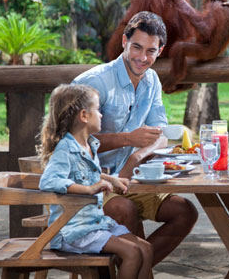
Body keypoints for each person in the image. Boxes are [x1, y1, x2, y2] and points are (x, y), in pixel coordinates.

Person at [72, 11, 198, 266]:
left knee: (184, 212)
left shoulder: (151, 80)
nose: (142, 57)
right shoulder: (94, 83)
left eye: (150, 51)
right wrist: (128, 139)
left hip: (130, 180)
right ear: (124, 42)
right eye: (136, 47)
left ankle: (133, 269)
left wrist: (137, 157)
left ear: (160, 51)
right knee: (125, 211)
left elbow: (159, 132)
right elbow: (71, 141)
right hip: (88, 184)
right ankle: (135, 269)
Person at [39, 84, 154, 278]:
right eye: (98, 110)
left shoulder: (89, 144)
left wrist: (111, 179)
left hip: (96, 223)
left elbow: (86, 172)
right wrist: (90, 189)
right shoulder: (65, 149)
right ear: (84, 116)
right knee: (132, 253)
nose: (101, 115)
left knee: (146, 249)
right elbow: (48, 181)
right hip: (73, 230)